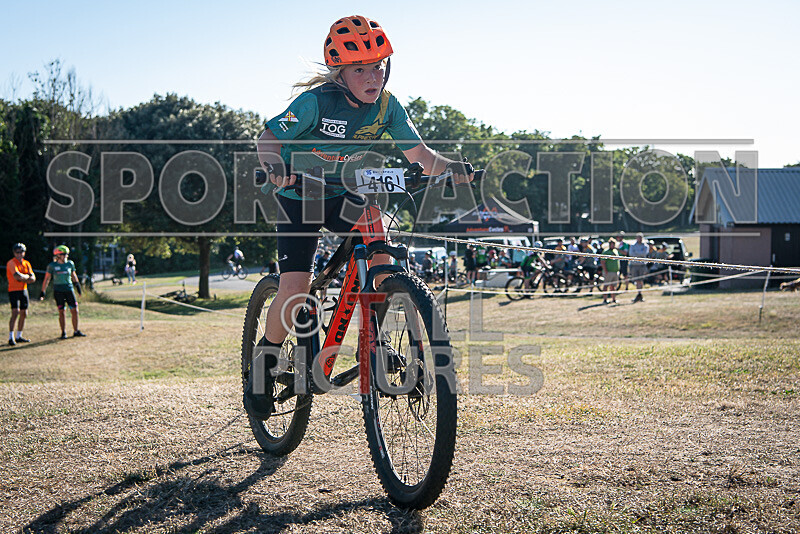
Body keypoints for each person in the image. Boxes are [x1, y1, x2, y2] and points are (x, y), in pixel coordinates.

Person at [248, 15, 474, 420]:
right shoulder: (317, 102)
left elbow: (421, 156)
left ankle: (376, 338)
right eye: (360, 69)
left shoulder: (387, 107)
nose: (373, 77)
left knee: (378, 232)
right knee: (296, 290)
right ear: (339, 72)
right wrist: (272, 167)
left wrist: (454, 167)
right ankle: (264, 366)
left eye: (378, 67)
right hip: (298, 193)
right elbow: (269, 138)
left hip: (343, 193)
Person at [40, 245, 86, 339]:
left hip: (69, 289)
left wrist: (77, 286)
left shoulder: (70, 264)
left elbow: (74, 275)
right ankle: (63, 332)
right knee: (62, 311)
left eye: (66, 254)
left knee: (75, 310)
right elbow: (47, 279)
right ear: (58, 255)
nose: (66, 256)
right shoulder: (52, 266)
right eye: (63, 254)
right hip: (58, 291)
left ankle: (76, 331)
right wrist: (43, 291)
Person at [7, 243, 35, 346]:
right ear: (14, 253)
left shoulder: (26, 263)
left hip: (23, 290)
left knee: (24, 313)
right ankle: (11, 337)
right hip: (13, 290)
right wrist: (27, 277)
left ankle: (19, 336)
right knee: (15, 312)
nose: (19, 254)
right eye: (17, 252)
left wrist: (25, 278)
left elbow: (33, 278)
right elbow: (16, 276)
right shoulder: (11, 263)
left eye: (21, 252)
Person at [628, 232, 650, 303]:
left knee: (641, 280)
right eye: (638, 237)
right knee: (636, 280)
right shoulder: (632, 245)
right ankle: (639, 294)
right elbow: (631, 254)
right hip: (634, 265)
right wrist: (640, 254)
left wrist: (637, 253)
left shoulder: (645, 246)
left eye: (641, 237)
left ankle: (639, 294)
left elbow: (645, 253)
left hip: (642, 265)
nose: (639, 239)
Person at [601, 238, 621, 304]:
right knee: (606, 286)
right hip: (608, 272)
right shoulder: (605, 252)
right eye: (611, 244)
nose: (613, 245)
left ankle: (613, 299)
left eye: (614, 244)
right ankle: (605, 299)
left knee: (613, 286)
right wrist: (605, 270)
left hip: (615, 271)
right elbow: (603, 262)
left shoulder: (616, 251)